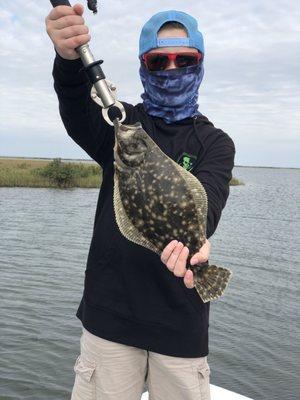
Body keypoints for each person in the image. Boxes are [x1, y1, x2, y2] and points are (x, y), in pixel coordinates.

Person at [45, 4, 235, 400]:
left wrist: (196, 248)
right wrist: (67, 61)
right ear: (143, 64)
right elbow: (77, 111)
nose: (170, 68)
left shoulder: (215, 143)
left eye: (183, 59)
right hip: (109, 319)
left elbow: (208, 206)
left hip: (181, 326)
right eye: (158, 60)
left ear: (199, 62)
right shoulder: (122, 125)